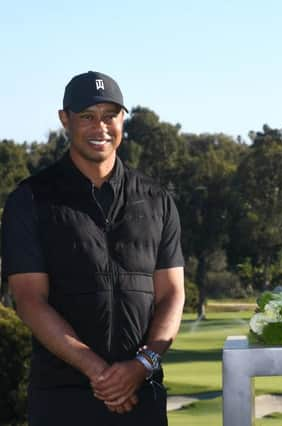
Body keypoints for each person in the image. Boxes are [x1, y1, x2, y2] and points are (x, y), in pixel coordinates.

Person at [1, 71, 185, 425]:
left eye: (109, 115)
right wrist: (102, 374)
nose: (100, 127)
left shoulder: (157, 200)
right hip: (61, 401)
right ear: (64, 119)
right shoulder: (31, 199)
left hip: (142, 397)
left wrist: (141, 365)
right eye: (87, 116)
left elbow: (172, 294)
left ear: (122, 120)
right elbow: (29, 300)